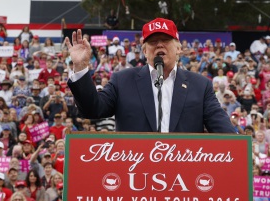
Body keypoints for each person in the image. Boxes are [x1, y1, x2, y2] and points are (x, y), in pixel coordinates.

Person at [64, 19, 235, 133]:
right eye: (153, 42)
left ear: (178, 49)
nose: (159, 44)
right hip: (135, 177)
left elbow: (223, 130)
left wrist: (239, 149)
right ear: (144, 51)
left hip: (184, 178)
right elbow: (92, 110)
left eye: (165, 40)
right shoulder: (122, 81)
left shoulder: (200, 85)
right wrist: (80, 66)